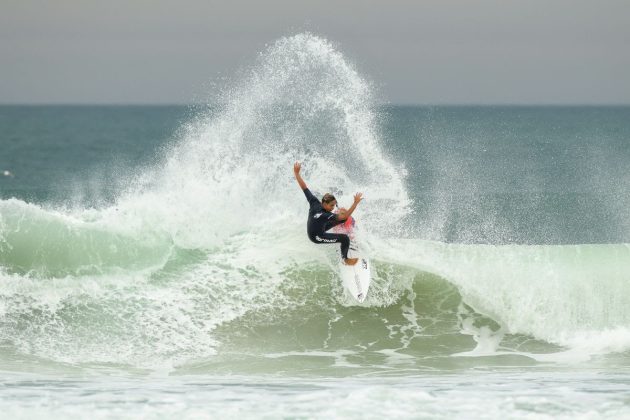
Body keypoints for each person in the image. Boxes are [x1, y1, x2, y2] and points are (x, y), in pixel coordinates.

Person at [293, 161, 363, 266]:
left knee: (342, 219)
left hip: (320, 226)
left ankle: (343, 238)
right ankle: (345, 260)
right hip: (316, 236)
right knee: (344, 238)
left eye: (334, 205)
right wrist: (355, 203)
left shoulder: (314, 201)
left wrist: (297, 174)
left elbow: (304, 188)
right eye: (331, 206)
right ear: (324, 204)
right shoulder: (326, 215)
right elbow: (345, 215)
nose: (333, 207)